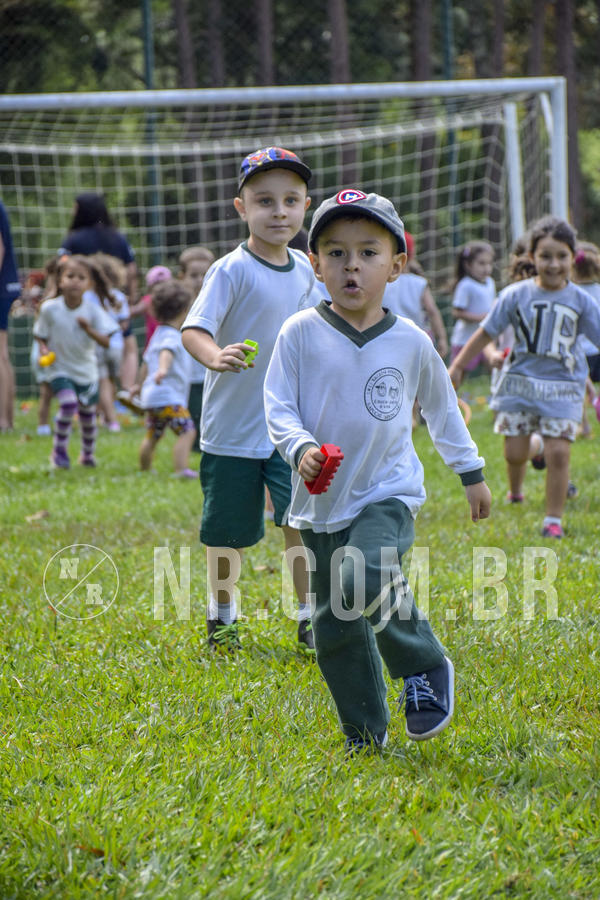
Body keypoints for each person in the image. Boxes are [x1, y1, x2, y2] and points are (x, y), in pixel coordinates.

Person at [263, 190, 491, 755]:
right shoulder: (298, 333)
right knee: (335, 628)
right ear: (314, 265)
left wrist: (471, 472)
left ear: (397, 263)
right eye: (336, 254)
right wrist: (299, 447)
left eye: (368, 252)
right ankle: (366, 734)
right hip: (317, 506)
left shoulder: (411, 342)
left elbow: (442, 409)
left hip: (385, 494)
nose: (352, 266)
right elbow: (277, 407)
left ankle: (424, 663)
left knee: (363, 577)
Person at [181, 146, 319, 653]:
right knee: (227, 534)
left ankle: (311, 617)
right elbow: (193, 330)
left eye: (290, 200)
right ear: (242, 208)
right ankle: (223, 616)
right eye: (264, 201)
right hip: (231, 430)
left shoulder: (307, 269)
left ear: (305, 206)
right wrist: (214, 355)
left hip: (290, 431)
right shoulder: (229, 270)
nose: (278, 211)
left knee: (299, 522)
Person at [449, 216, 600, 539]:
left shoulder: (581, 302)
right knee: (513, 454)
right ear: (532, 258)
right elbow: (486, 331)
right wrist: (458, 366)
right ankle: (534, 451)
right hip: (519, 385)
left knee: (560, 452)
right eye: (545, 256)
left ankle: (553, 520)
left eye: (561, 256)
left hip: (562, 388)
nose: (554, 264)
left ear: (573, 258)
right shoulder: (515, 295)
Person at [33, 255, 117, 469]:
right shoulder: (49, 308)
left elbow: (106, 341)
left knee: (88, 416)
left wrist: (88, 329)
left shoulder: (93, 311)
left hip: (87, 372)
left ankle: (87, 455)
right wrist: (44, 348)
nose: (75, 281)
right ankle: (59, 451)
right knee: (69, 404)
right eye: (70, 276)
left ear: (89, 284)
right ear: (60, 281)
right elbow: (40, 334)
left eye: (81, 277)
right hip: (59, 368)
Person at [58, 192, 139, 387]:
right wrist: (131, 299)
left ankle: (89, 393)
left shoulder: (74, 240)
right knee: (129, 347)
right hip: (114, 303)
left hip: (84, 304)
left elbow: (61, 267)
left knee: (90, 353)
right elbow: (131, 270)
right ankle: (126, 389)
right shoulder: (117, 237)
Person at [130, 280, 198, 478]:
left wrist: (138, 386)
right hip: (168, 397)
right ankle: (181, 470)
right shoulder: (171, 336)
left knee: (153, 434)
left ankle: (144, 470)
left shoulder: (157, 334)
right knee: (188, 432)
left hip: (152, 398)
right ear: (185, 310)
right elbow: (165, 353)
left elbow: (145, 364)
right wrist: (163, 369)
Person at [382, 232, 448, 358]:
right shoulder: (419, 283)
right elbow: (432, 310)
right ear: (410, 256)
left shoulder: (381, 282)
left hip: (387, 338)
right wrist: (442, 338)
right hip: (415, 340)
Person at [179, 247, 216, 451]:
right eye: (194, 275)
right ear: (182, 276)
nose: (199, 280)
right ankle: (193, 444)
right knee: (192, 407)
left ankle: (203, 441)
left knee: (208, 407)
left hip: (210, 367)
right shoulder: (180, 303)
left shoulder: (215, 299)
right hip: (188, 371)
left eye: (204, 275)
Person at [450, 240, 495, 372]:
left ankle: (497, 393)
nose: (486, 268)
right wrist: (480, 318)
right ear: (468, 265)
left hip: (485, 337)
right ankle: (452, 393)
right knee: (458, 373)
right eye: (481, 263)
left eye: (489, 263)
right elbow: (457, 313)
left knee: (495, 369)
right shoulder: (465, 285)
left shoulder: (490, 282)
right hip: (465, 340)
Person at [570, 241, 600, 432]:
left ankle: (585, 425)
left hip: (579, 351)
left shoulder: (571, 293)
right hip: (597, 349)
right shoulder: (598, 290)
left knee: (579, 389)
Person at [0, 199, 21, 432]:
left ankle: (3, 421)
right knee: (2, 354)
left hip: (1, 286)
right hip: (6, 285)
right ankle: (7, 419)